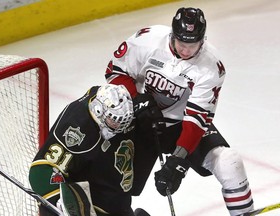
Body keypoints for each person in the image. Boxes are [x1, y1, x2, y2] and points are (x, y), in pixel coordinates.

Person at [105, 7, 254, 216]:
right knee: (111, 177)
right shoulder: (146, 41)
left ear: (202, 40)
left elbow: (197, 117)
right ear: (172, 35)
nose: (185, 51)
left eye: (192, 46)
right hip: (137, 120)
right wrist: (137, 100)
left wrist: (178, 161)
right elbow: (115, 72)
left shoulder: (212, 65)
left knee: (230, 162)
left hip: (179, 125)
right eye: (181, 44)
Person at [29, 84, 138, 216]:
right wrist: (61, 199)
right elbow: (41, 170)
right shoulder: (76, 125)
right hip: (83, 197)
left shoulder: (113, 111)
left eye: (122, 123)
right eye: (113, 122)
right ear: (99, 110)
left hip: (109, 197)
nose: (118, 128)